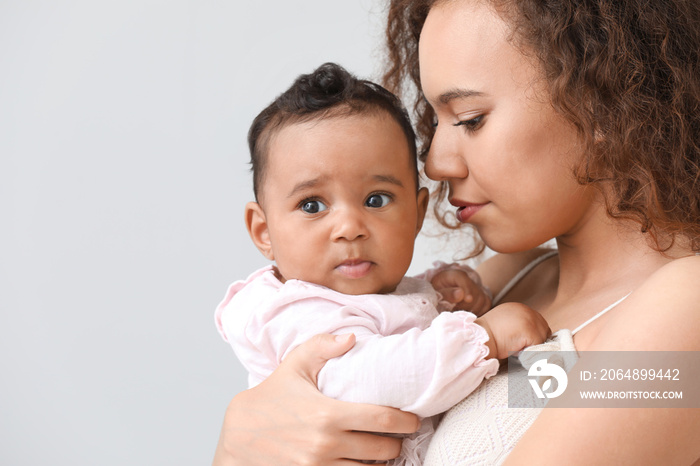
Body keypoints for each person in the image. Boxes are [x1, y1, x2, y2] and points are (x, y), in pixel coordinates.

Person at [213, 0, 700, 464]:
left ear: (601, 101)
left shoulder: (686, 310)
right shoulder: (504, 283)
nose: (435, 162)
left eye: (470, 119)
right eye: (434, 121)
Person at [215, 62, 550, 465]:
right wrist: (484, 340)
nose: (349, 228)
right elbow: (371, 379)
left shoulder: (632, 336)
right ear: (263, 231)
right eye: (312, 205)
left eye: (376, 199)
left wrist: (438, 293)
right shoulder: (293, 313)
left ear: (417, 212)